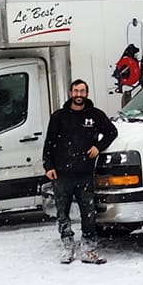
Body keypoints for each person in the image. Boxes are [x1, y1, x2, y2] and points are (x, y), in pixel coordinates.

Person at [44, 77, 118, 264]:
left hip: (85, 173)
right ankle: (68, 246)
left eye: (82, 91)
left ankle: (89, 246)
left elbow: (112, 132)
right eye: (76, 91)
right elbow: (49, 143)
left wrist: (98, 147)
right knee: (63, 213)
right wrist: (49, 166)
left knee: (88, 212)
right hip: (61, 174)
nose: (79, 95)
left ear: (87, 93)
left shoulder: (95, 115)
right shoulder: (58, 117)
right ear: (70, 94)